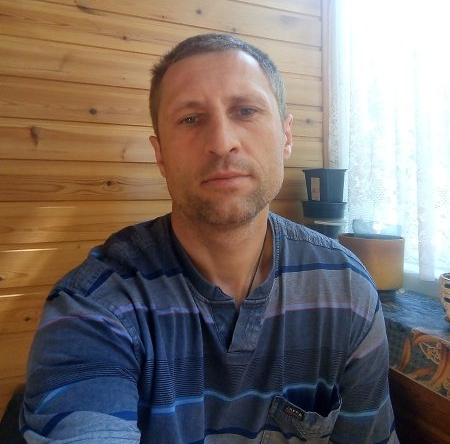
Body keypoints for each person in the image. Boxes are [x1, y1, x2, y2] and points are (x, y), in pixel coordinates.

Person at [21, 34, 398, 443]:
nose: (221, 143)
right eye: (190, 119)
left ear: (286, 137)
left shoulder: (346, 289)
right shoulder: (97, 306)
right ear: (160, 154)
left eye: (246, 110)